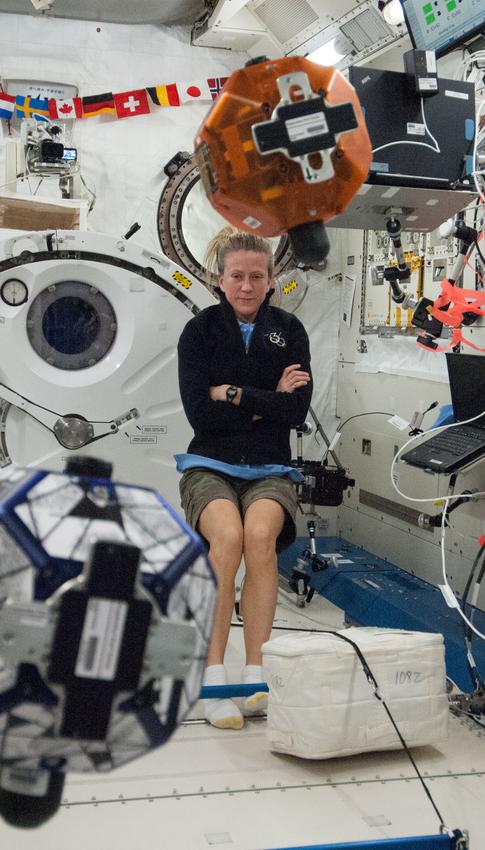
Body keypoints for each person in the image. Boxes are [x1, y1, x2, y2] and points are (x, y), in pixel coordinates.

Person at [176, 228, 312, 730]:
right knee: (227, 537)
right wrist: (264, 399)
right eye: (238, 276)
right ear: (220, 280)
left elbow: (295, 411)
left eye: (257, 276)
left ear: (272, 280)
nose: (247, 285)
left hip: (271, 469)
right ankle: (214, 676)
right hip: (207, 466)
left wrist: (230, 393)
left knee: (259, 536)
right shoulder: (200, 332)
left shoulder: (289, 331)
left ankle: (256, 674)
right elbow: (199, 417)